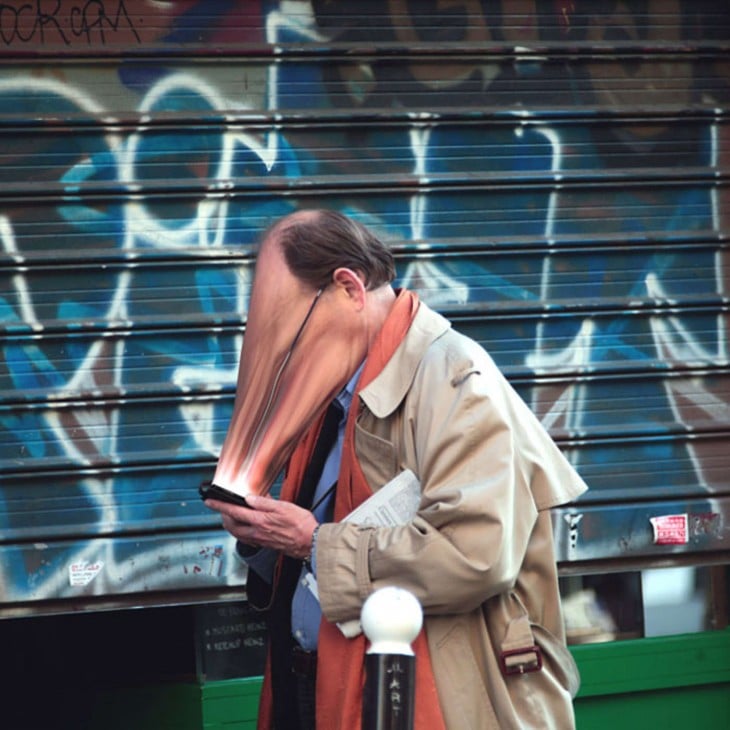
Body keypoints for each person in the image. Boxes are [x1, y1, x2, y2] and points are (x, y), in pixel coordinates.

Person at [205, 209, 588, 730]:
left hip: (425, 700)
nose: (286, 352)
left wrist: (313, 543)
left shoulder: (456, 379)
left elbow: (475, 555)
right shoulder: (331, 394)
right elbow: (315, 557)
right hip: (317, 688)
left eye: (292, 327)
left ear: (348, 288)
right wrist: (264, 537)